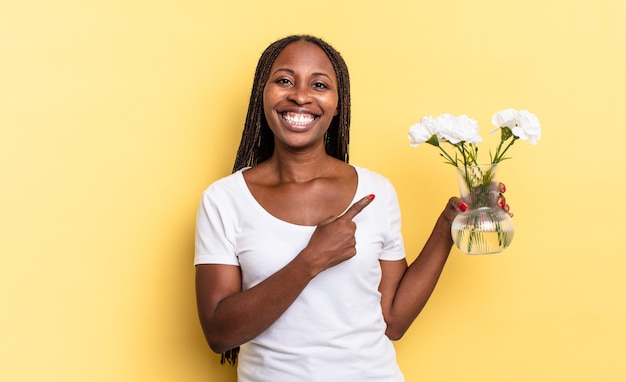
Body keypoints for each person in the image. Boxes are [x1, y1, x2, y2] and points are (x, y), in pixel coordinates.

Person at [194, 35, 509, 381]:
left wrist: (448, 226)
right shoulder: (224, 200)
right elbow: (219, 334)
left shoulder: (376, 191)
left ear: (338, 103)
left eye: (319, 84)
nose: (300, 95)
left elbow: (393, 320)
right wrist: (311, 260)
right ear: (262, 94)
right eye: (284, 80)